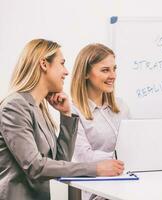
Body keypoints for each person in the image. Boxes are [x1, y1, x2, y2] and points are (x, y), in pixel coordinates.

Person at [0, 39, 124, 200]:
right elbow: (35, 167)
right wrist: (95, 168)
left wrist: (66, 116)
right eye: (62, 63)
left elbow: (60, 161)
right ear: (44, 64)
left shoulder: (39, 108)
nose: (66, 72)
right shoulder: (15, 106)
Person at [70, 43, 130, 200]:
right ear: (85, 74)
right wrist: (125, 158)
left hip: (129, 185)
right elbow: (84, 158)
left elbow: (136, 146)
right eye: (105, 70)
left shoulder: (122, 107)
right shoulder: (72, 111)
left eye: (114, 69)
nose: (113, 75)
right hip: (98, 192)